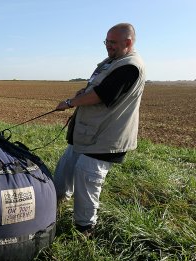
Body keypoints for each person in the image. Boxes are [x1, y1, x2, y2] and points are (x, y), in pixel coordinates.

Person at [54, 23, 145, 237]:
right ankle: (53, 211)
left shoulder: (130, 66)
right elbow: (94, 87)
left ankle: (84, 230)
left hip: (104, 139)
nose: (108, 46)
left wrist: (70, 102)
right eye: (106, 41)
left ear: (128, 42)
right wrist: (82, 92)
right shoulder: (111, 62)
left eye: (113, 43)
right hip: (86, 134)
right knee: (63, 175)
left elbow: (102, 95)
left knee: (87, 182)